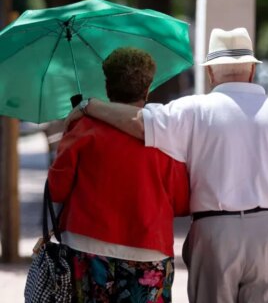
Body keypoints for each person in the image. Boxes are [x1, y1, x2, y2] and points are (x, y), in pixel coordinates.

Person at [66, 28, 268, 303]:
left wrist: (89, 107)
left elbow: (138, 121)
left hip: (215, 234)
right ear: (251, 72)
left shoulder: (193, 110)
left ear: (210, 74)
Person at [48, 47, 190, 302]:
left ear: (108, 86)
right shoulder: (165, 136)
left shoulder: (83, 128)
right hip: (148, 248)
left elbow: (57, 189)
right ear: (147, 89)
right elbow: (181, 202)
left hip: (86, 245)